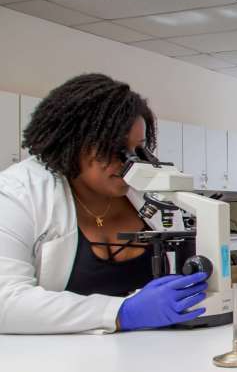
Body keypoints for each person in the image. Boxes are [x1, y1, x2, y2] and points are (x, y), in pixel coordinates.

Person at [0, 73, 209, 334]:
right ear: (72, 142)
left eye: (137, 150)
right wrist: (120, 313)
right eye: (116, 149)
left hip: (157, 353)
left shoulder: (150, 196)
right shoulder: (18, 193)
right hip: (54, 362)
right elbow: (5, 301)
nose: (128, 162)